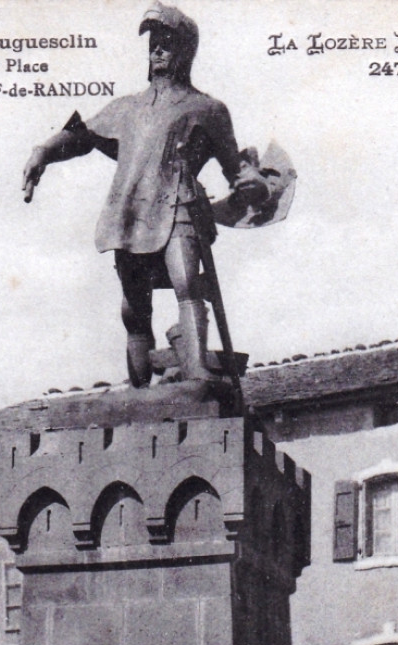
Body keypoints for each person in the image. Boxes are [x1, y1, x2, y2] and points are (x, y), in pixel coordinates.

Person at [22, 3, 248, 389]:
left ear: (185, 50)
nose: (157, 50)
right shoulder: (126, 108)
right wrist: (43, 151)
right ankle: (139, 388)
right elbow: (82, 136)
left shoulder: (208, 109)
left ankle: (196, 371)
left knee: (187, 284)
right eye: (153, 43)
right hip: (129, 212)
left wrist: (251, 182)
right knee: (134, 307)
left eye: (166, 43)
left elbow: (236, 167)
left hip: (180, 203)